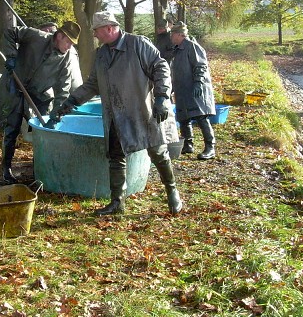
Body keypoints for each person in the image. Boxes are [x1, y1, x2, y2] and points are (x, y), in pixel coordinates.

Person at [50, 11, 183, 216]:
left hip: (143, 110)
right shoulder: (101, 54)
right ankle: (117, 202)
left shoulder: (138, 44)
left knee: (158, 152)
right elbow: (93, 84)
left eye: (96, 31)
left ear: (109, 28)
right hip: (115, 115)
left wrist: (162, 97)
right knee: (115, 156)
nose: (94, 35)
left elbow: (161, 67)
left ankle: (172, 191)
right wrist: (70, 102)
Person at [0, 21, 81, 183]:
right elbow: (10, 32)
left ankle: (40, 168)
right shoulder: (36, 37)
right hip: (17, 88)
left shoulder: (66, 59)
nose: (69, 47)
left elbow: (63, 91)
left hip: (40, 97)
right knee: (11, 130)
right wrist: (11, 55)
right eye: (68, 42)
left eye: (72, 44)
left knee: (42, 132)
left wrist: (56, 116)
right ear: (59, 36)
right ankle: (6, 168)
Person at [170, 21, 216, 160]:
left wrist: (198, 83)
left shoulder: (192, 47)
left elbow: (201, 66)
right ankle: (187, 144)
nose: (171, 37)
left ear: (180, 35)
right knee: (184, 117)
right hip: (182, 89)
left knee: (201, 117)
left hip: (195, 88)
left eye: (173, 34)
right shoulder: (177, 49)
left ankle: (210, 147)